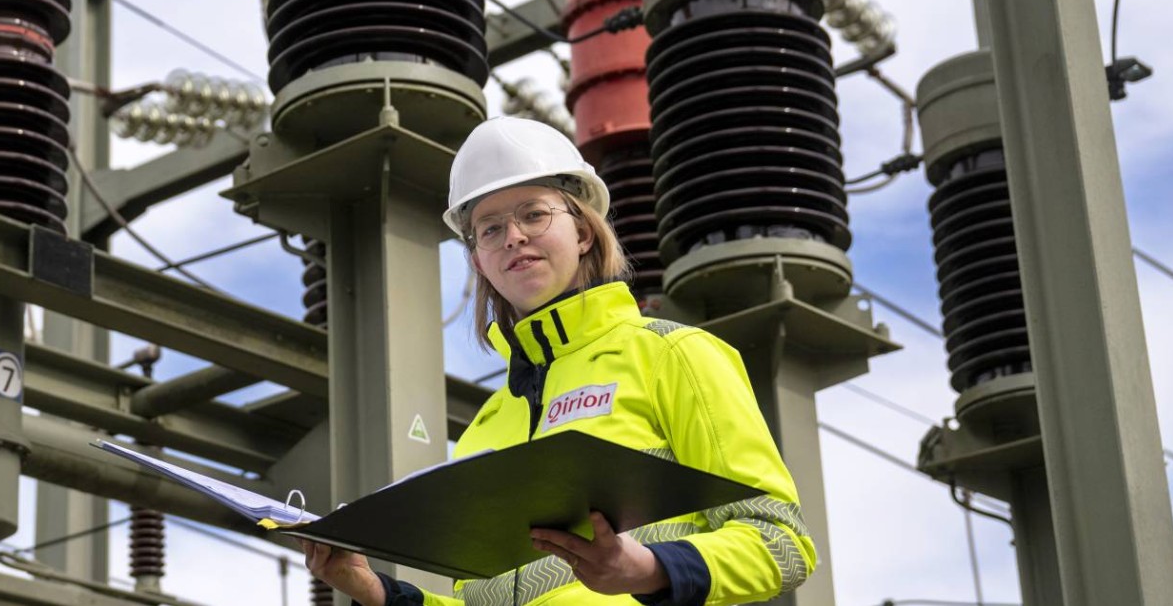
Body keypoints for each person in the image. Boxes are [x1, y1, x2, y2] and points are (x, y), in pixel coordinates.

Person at [300, 117, 817, 606]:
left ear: (584, 231)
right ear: (479, 260)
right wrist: (380, 593)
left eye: (533, 213)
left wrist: (651, 569)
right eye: (490, 228)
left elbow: (783, 543)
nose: (514, 237)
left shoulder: (671, 354)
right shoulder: (487, 425)